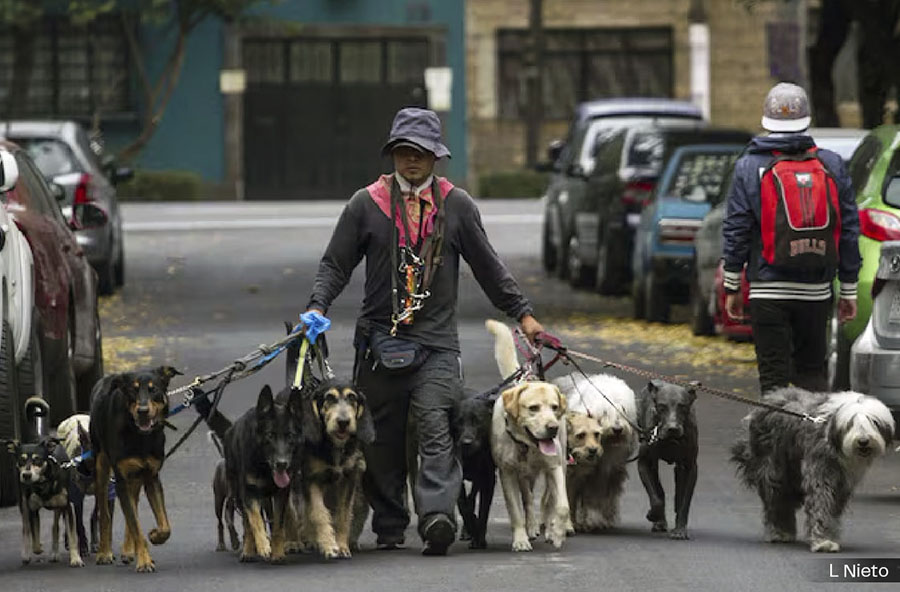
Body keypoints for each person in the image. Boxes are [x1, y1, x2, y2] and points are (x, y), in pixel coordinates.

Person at [305, 107, 543, 555]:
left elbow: (490, 268)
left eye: (421, 153)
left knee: (436, 428)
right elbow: (335, 264)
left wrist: (522, 313)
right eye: (403, 152)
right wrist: (317, 306)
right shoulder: (366, 204)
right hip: (379, 343)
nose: (411, 161)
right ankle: (391, 525)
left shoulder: (457, 206)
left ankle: (436, 517)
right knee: (379, 439)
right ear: (393, 153)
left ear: (437, 157)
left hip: (435, 345)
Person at [722, 82, 860, 395]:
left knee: (773, 381)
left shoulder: (748, 166)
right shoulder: (831, 164)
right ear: (806, 120)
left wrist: (732, 285)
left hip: (767, 290)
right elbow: (849, 228)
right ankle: (809, 440)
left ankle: (774, 442)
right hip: (815, 291)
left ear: (766, 120)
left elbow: (736, 229)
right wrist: (848, 289)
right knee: (812, 375)